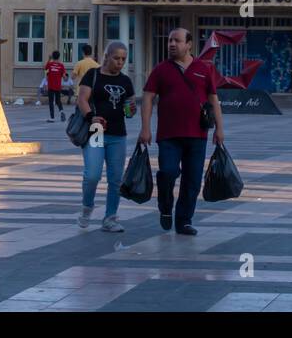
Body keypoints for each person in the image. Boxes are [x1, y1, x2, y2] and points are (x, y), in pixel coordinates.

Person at [139, 28, 224, 236]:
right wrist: (145, 128)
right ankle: (166, 205)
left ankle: (184, 221)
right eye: (169, 40)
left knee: (192, 180)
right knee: (167, 172)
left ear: (189, 45)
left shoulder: (203, 69)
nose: (171, 44)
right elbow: (148, 97)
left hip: (198, 134)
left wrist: (220, 129)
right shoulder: (161, 69)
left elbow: (213, 100)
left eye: (177, 41)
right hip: (168, 135)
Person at [75, 41, 135, 233]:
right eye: (116, 58)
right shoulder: (93, 75)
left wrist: (131, 109)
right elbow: (82, 99)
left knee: (115, 179)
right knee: (92, 175)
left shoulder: (125, 81)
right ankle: (87, 206)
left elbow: (129, 108)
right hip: (96, 132)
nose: (120, 62)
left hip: (118, 134)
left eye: (123, 59)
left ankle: (110, 218)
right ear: (107, 56)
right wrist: (91, 117)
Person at [43, 51, 67, 122]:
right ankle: (61, 111)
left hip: (51, 86)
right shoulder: (61, 65)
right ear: (59, 57)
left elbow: (45, 68)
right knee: (58, 101)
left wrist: (49, 59)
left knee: (51, 101)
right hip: (58, 86)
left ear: (52, 56)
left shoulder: (50, 64)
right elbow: (64, 77)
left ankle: (52, 118)